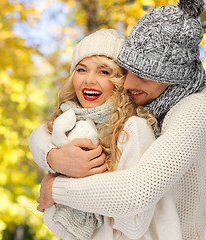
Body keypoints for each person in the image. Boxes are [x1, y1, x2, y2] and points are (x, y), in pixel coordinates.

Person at [31, 0, 206, 239]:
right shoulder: (146, 100)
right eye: (126, 71)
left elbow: (137, 190)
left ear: (173, 78)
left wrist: (54, 188)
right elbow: (43, 131)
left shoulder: (196, 110)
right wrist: (53, 157)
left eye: (144, 76)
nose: (128, 84)